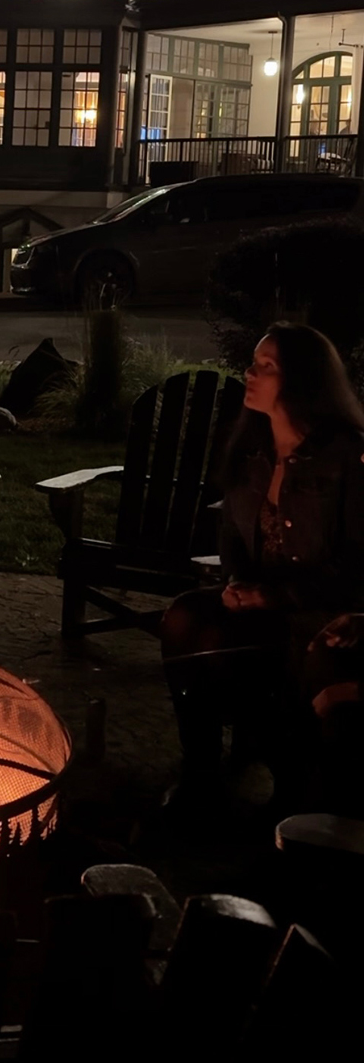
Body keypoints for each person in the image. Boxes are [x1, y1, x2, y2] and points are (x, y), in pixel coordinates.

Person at [160, 322, 364, 814]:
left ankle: (285, 772)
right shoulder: (252, 448)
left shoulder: (346, 458)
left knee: (218, 646)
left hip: (318, 609)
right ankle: (202, 767)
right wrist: (234, 581)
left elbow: (356, 565)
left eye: (266, 366)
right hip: (258, 594)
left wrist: (275, 598)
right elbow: (230, 531)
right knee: (183, 617)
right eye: (253, 362)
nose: (249, 373)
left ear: (302, 380)